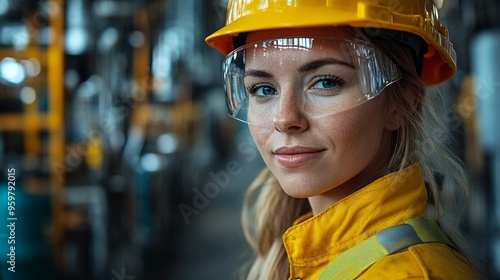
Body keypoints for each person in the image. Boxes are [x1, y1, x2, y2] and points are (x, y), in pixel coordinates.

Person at [206, 0, 480, 279]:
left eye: (326, 82)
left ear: (403, 103)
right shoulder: (307, 252)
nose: (284, 118)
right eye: (263, 89)